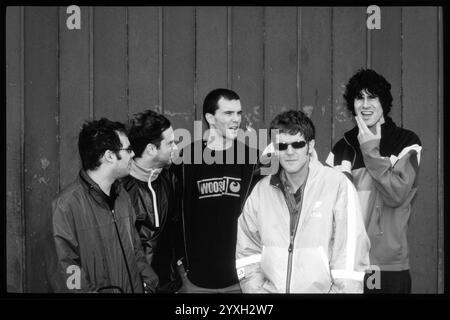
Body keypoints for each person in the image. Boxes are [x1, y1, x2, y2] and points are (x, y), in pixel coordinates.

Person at [236, 110, 370, 293]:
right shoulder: (261, 191)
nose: (289, 152)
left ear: (310, 145)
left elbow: (350, 257)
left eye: (297, 144)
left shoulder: (337, 185)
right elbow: (247, 251)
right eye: (282, 146)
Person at [326, 69, 422, 293]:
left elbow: (396, 194)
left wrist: (370, 151)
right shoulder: (342, 147)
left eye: (372, 97)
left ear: (384, 102)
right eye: (360, 98)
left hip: (389, 264)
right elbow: (328, 206)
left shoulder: (407, 142)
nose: (365, 104)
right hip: (347, 263)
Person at [52, 118, 159, 293]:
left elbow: (136, 250)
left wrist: (147, 285)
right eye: (128, 149)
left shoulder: (122, 196)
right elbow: (67, 273)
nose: (133, 154)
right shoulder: (65, 206)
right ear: (109, 156)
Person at [172, 88, 259, 293]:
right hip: (196, 281)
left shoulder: (252, 160)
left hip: (240, 280)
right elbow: (172, 216)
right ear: (210, 118)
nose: (236, 119)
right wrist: (179, 267)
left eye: (239, 113)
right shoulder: (186, 159)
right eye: (228, 113)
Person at [122, 110, 182, 293]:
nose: (176, 148)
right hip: (134, 287)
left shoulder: (171, 179)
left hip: (170, 285)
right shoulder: (120, 188)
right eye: (170, 143)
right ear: (151, 149)